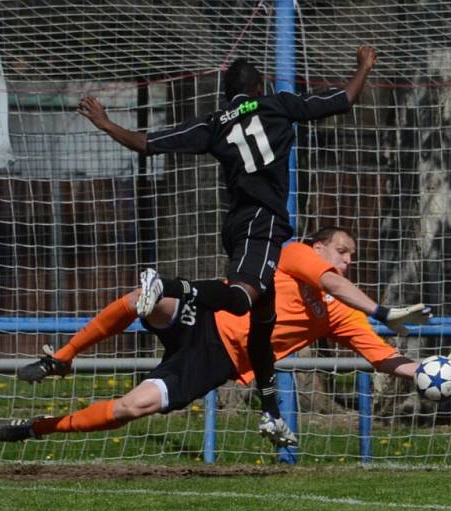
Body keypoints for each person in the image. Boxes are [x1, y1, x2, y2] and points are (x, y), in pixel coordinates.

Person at [75, 47, 391, 443]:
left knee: (264, 320)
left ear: (227, 94)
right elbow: (344, 99)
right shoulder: (278, 104)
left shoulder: (214, 123)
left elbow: (146, 143)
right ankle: (168, 287)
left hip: (238, 224)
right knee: (243, 299)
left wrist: (106, 124)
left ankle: (271, 414)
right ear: (259, 86)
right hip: (263, 222)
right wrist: (363, 67)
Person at [0, 227, 451, 447]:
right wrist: (383, 308)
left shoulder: (340, 316)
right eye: (341, 250)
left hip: (216, 360)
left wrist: (425, 372)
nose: (346, 261)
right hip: (206, 315)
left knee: (128, 409)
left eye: (352, 256)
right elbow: (331, 280)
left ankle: (36, 428)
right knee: (143, 299)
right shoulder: (292, 255)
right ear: (317, 248)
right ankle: (64, 357)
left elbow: (382, 358)